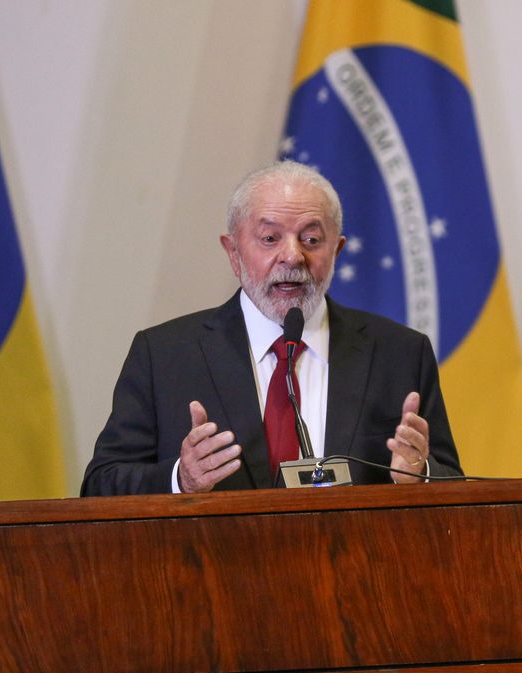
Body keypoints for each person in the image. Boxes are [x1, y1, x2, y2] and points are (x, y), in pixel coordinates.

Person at [81, 161, 461, 495]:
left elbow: (455, 488)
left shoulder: (400, 354)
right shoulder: (164, 355)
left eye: (312, 239)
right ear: (233, 252)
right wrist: (182, 478)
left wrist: (419, 476)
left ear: (337, 251)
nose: (293, 255)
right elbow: (101, 485)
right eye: (269, 238)